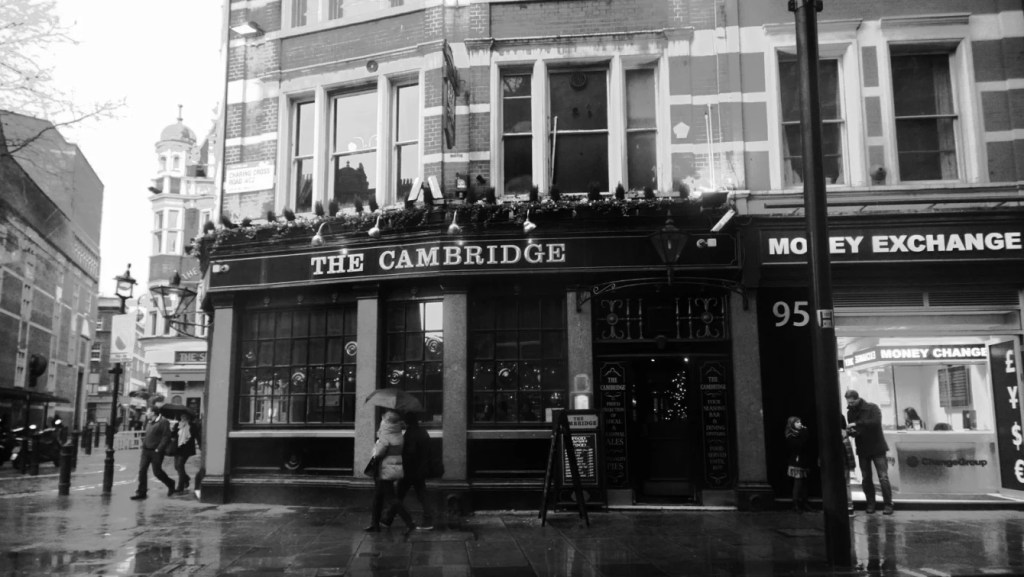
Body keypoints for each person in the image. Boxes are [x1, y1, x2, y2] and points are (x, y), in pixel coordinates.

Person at [383, 412, 435, 530]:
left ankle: (389, 519)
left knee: (399, 495)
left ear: (408, 422)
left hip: (410, 471)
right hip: (421, 469)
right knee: (421, 494)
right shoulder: (423, 432)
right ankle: (428, 520)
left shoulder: (410, 434)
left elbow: (410, 454)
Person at [365, 410, 414, 533]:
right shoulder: (398, 433)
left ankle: (409, 522)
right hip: (393, 467)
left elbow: (378, 453)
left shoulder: (385, 436)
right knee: (378, 497)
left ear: (387, 422)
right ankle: (375, 524)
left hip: (384, 469)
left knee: (391, 498)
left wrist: (377, 444)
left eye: (383, 419)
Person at [845, 389, 893, 515]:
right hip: (863, 448)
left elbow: (876, 423)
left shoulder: (872, 408)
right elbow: (855, 430)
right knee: (866, 478)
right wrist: (852, 432)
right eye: (848, 402)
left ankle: (888, 504)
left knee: (883, 477)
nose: (850, 405)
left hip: (877, 447)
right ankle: (871, 504)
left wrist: (856, 424)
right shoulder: (850, 412)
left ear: (857, 399)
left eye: (852, 402)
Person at [130, 405, 176, 500]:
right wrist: (144, 444)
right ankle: (141, 492)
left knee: (157, 472)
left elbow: (166, 436)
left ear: (153, 413)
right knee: (142, 470)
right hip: (146, 450)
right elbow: (148, 434)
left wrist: (159, 448)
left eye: (148, 412)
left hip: (156, 451)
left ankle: (170, 483)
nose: (146, 413)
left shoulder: (163, 422)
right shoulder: (149, 421)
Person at [785, 416, 812, 512]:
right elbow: (799, 445)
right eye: (797, 422)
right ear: (792, 424)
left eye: (800, 422)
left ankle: (805, 502)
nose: (800, 424)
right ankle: (795, 504)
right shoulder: (791, 436)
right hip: (796, 461)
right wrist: (804, 433)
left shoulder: (801, 433)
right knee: (798, 483)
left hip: (804, 460)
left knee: (805, 483)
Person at [171, 413, 200, 495]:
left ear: (188, 417)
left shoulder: (192, 426)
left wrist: (200, 445)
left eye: (184, 416)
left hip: (187, 449)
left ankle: (180, 487)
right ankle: (186, 479)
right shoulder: (177, 425)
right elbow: (173, 435)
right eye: (181, 416)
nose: (182, 418)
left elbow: (197, 436)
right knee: (176, 466)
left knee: (180, 465)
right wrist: (172, 431)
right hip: (178, 448)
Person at [840, 414, 856, 516]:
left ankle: (844, 506)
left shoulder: (829, 434)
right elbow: (848, 451)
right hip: (844, 461)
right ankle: (849, 507)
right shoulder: (844, 433)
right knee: (847, 484)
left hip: (836, 462)